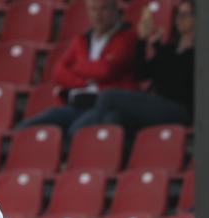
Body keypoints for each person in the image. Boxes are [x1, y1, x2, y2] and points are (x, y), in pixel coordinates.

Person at [77, 0, 195, 139]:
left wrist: (160, 49)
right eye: (178, 15)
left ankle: (88, 140)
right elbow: (141, 73)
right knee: (114, 117)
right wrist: (142, 41)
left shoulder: (197, 54)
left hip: (178, 109)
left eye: (185, 15)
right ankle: (111, 155)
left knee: (108, 96)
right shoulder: (170, 49)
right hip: (158, 105)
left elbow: (179, 81)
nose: (179, 19)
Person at [19, 0, 136, 139]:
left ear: (115, 10)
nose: (98, 15)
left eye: (103, 9)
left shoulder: (127, 37)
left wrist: (76, 67)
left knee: (76, 133)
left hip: (104, 106)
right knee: (26, 129)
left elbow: (106, 70)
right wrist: (84, 82)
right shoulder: (81, 40)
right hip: (76, 106)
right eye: (93, 10)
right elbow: (58, 72)